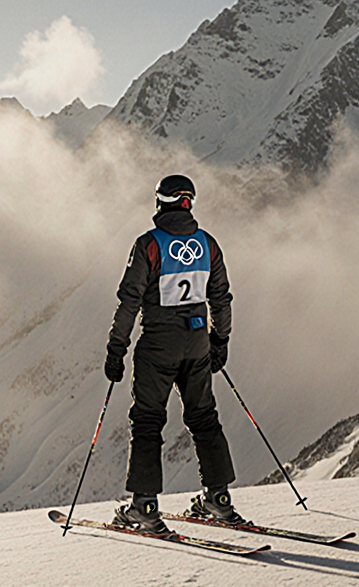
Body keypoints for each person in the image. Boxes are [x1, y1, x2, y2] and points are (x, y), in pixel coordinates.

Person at [104, 174, 245, 535]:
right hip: (197, 344)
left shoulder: (149, 244)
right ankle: (219, 498)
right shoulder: (207, 244)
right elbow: (221, 297)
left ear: (160, 202)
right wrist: (220, 341)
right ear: (189, 203)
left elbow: (129, 301)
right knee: (204, 418)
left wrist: (116, 348)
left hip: (158, 348)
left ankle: (144, 506)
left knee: (148, 422)